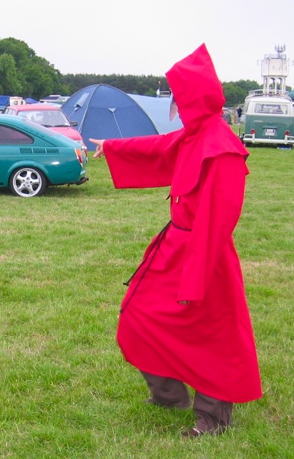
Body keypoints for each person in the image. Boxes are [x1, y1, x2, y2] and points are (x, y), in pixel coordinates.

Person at [89, 44, 262, 437]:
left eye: (181, 99)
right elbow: (158, 147)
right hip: (173, 249)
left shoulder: (222, 149)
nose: (177, 107)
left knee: (210, 336)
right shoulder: (195, 135)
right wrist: (111, 146)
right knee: (138, 315)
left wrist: (196, 278)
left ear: (196, 99)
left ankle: (213, 418)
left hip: (205, 258)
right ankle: (168, 395)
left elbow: (216, 223)